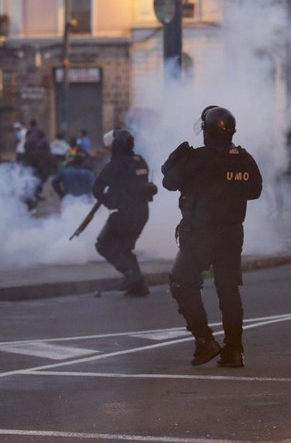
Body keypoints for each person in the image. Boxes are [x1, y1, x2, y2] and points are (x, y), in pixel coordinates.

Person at [162, 106, 262, 368]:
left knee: (182, 282)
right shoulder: (243, 158)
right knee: (228, 289)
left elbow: (169, 182)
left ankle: (205, 341)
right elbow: (255, 191)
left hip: (201, 233)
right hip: (232, 233)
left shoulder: (199, 158)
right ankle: (234, 351)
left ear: (207, 132)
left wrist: (176, 158)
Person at [92, 129, 159, 297]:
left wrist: (109, 201)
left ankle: (131, 274)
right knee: (125, 248)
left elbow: (97, 189)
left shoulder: (116, 164)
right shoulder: (140, 161)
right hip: (143, 212)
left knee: (103, 243)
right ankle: (139, 287)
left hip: (124, 213)